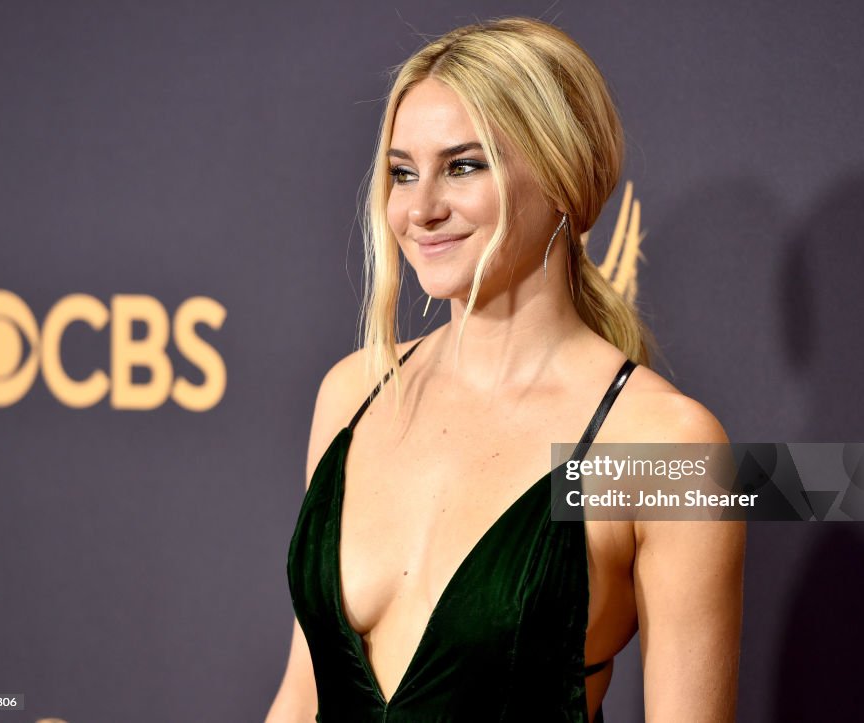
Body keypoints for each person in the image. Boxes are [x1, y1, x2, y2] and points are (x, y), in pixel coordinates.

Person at [265, 16, 745, 722]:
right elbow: (302, 696)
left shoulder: (663, 447)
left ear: (560, 174)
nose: (420, 208)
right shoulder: (355, 392)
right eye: (402, 173)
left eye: (463, 165)